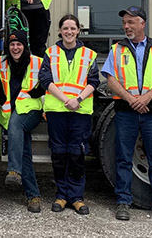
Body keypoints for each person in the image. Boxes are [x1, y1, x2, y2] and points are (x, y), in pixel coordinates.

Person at [101, 6, 152, 223]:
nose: (126, 26)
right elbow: (110, 78)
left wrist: (147, 97)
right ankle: (123, 202)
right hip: (126, 111)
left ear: (142, 23)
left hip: (151, 113)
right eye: (124, 22)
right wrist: (131, 99)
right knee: (123, 159)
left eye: (131, 22)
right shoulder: (117, 49)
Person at [38, 14, 100, 215]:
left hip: (80, 112)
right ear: (59, 31)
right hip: (57, 110)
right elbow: (45, 79)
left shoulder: (89, 54)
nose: (69, 32)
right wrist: (66, 100)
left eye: (73, 28)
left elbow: (94, 81)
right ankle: (61, 195)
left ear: (78, 31)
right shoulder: (51, 52)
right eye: (65, 28)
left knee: (76, 153)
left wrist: (78, 100)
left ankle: (76, 197)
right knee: (59, 154)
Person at [0, 30, 44, 213]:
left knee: (16, 125)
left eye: (19, 44)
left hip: (31, 110)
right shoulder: (1, 63)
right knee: (24, 151)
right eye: (12, 45)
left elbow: (45, 84)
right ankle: (33, 196)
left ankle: (13, 170)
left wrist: (32, 94)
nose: (15, 48)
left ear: (25, 46)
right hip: (11, 111)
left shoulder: (37, 62)